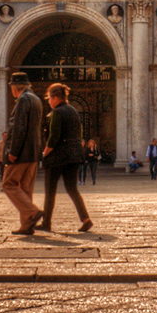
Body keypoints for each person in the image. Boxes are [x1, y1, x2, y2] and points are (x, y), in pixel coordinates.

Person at [40, 83, 93, 232]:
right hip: (74, 156)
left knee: (50, 190)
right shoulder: (74, 111)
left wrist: (45, 153)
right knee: (72, 189)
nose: (49, 101)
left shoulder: (57, 112)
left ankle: (46, 222)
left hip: (58, 157)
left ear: (56, 97)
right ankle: (86, 219)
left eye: (49, 98)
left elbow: (54, 137)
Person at [2, 73, 44, 235]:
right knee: (26, 189)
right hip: (33, 152)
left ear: (14, 88)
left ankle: (32, 211)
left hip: (21, 153)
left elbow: (18, 128)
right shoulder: (36, 99)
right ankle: (27, 225)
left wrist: (13, 151)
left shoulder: (23, 100)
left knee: (8, 183)